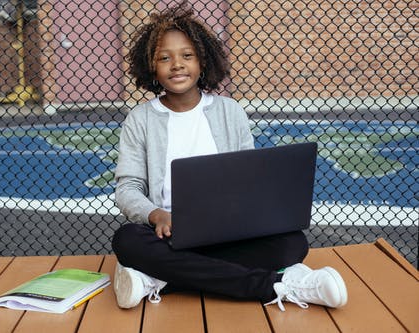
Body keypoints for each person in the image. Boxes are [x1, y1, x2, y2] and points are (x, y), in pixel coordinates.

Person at [112, 1, 347, 312]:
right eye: (164, 58)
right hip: (168, 234)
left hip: (226, 233)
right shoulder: (140, 119)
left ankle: (159, 280)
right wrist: (156, 215)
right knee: (127, 240)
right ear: (151, 66)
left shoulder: (229, 111)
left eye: (187, 55)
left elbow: (246, 178)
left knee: (292, 243)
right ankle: (276, 286)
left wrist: (248, 215)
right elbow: (127, 188)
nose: (177, 65)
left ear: (203, 60)